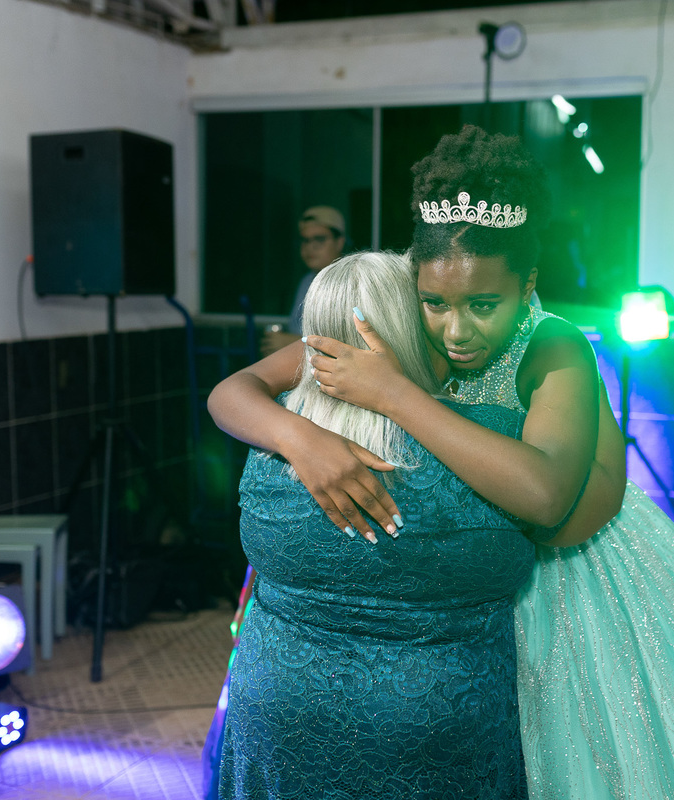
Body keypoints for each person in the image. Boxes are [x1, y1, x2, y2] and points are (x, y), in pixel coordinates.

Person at [209, 126, 674, 798]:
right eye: (435, 303)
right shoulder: (397, 320)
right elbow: (231, 393)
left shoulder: (552, 345)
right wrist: (300, 438)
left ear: (527, 284)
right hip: (457, 580)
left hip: (566, 568)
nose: (456, 331)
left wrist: (396, 394)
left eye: (484, 305)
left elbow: (551, 503)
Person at [204, 250, 537, 798]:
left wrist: (294, 435)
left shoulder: (265, 447)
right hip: (437, 728)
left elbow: (229, 392)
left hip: (277, 707)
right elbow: (547, 525)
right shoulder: (494, 442)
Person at [258, 206, 346, 357]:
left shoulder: (348, 282)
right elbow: (296, 329)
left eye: (319, 239)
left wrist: (290, 343)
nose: (310, 247)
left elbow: (344, 346)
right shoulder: (306, 281)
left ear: (339, 242)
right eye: (305, 240)